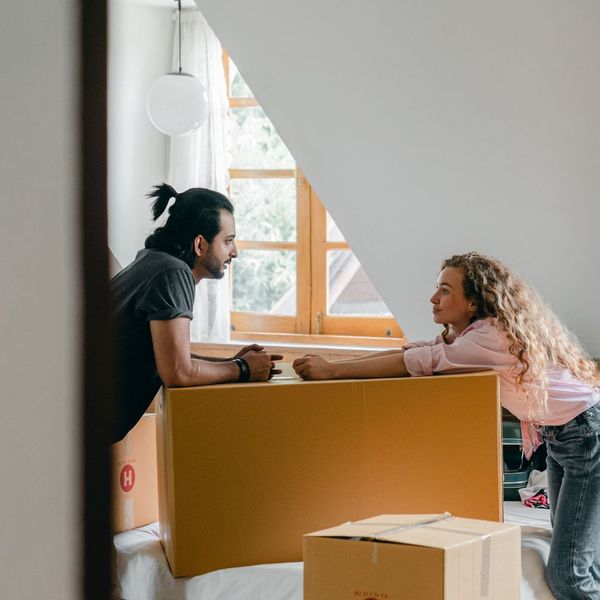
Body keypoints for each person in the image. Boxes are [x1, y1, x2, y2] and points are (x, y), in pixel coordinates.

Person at [293, 252, 600, 600]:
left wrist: (332, 371)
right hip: (569, 432)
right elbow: (416, 351)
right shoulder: (475, 335)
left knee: (569, 578)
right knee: (579, 557)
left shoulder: (485, 341)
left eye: (444, 290)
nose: (433, 298)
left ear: (472, 301)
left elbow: (414, 362)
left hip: (585, 434)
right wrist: (333, 365)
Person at [111, 183, 282, 443]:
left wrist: (227, 363)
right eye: (228, 241)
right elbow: (177, 372)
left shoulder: (152, 261)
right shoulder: (172, 273)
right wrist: (243, 369)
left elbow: (170, 357)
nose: (234, 252)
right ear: (200, 245)